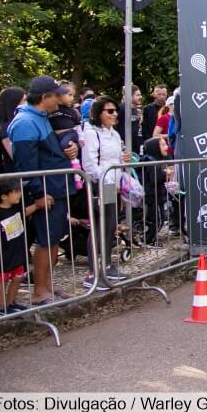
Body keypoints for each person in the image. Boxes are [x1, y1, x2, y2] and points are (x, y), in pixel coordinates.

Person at [7, 76, 80, 305]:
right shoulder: (25, 123)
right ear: (44, 98)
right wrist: (39, 194)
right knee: (46, 240)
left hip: (56, 188)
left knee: (54, 238)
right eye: (56, 96)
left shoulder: (41, 117)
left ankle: (47, 285)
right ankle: (39, 291)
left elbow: (50, 151)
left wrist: (72, 149)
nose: (60, 100)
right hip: (46, 192)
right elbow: (26, 165)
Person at [81, 95, 132, 289]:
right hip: (99, 184)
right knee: (99, 227)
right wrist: (105, 179)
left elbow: (116, 159)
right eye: (109, 111)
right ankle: (93, 273)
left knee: (110, 225)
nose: (114, 114)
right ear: (98, 113)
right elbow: (90, 163)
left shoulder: (114, 134)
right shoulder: (91, 133)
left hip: (113, 185)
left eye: (115, 110)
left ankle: (108, 266)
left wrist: (121, 166)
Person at [0, 179, 40, 316]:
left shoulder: (16, 208)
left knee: (17, 277)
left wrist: (37, 206)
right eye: (15, 192)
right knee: (3, 280)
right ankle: (1, 308)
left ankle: (10, 303)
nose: (19, 194)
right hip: (3, 253)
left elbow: (25, 212)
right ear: (3, 196)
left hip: (17, 251)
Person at [47, 81, 83, 185]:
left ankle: (76, 169)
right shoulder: (49, 111)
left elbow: (78, 125)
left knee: (64, 146)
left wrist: (80, 138)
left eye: (73, 95)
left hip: (69, 134)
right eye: (69, 95)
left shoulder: (73, 111)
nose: (72, 98)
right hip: (56, 136)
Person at [0, 86, 26, 175]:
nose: (27, 104)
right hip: (15, 178)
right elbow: (16, 157)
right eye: (24, 100)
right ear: (13, 103)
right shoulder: (6, 128)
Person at [116, 84, 144, 156]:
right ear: (129, 96)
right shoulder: (121, 108)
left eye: (140, 95)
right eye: (137, 95)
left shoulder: (135, 110)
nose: (140, 97)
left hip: (136, 148)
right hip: (124, 148)